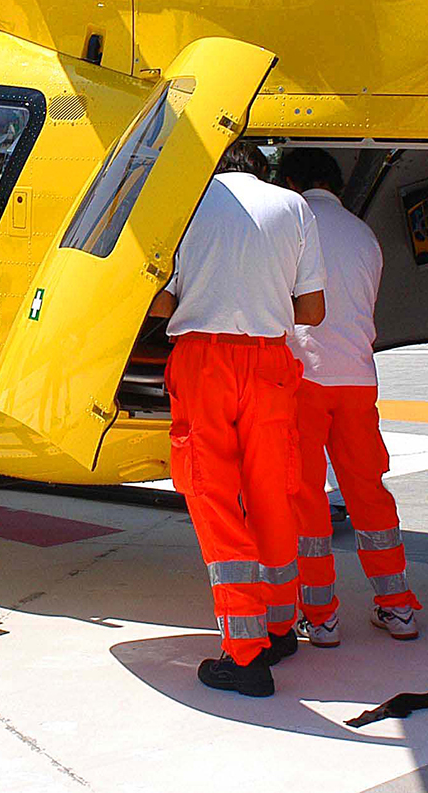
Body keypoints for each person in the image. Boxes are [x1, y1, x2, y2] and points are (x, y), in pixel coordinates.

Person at [149, 141, 326, 697]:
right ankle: (277, 626)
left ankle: (244, 655)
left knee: (216, 499)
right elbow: (313, 310)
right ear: (264, 171)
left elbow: (160, 303)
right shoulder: (295, 207)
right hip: (271, 361)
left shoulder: (186, 206)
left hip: (205, 362)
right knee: (272, 493)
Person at [280, 148, 420, 647]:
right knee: (368, 492)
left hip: (304, 379)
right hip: (358, 381)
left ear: (292, 181)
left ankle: (319, 617)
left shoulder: (292, 222)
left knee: (306, 498)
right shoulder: (363, 234)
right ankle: (397, 605)